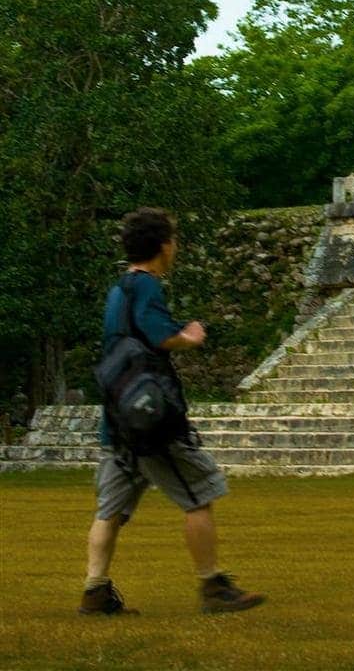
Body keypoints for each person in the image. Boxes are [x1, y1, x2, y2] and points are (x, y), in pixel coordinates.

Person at [79, 207, 265, 616]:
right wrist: (191, 336)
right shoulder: (146, 287)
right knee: (199, 495)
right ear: (164, 246)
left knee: (109, 511)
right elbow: (161, 337)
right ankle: (212, 586)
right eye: (173, 239)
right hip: (151, 424)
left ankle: (95, 590)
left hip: (119, 422)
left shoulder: (117, 291)